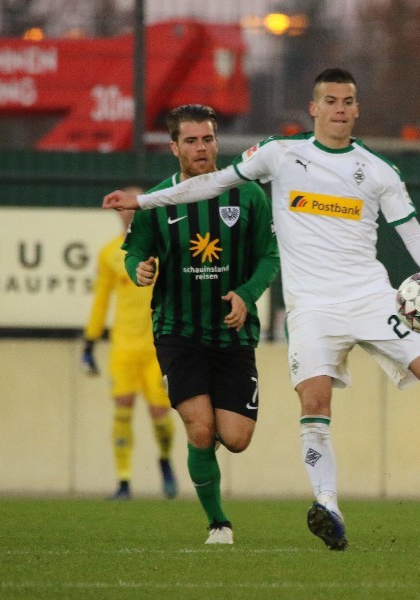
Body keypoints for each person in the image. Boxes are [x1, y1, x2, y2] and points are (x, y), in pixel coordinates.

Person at [103, 69, 420, 551]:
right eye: (331, 100)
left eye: (348, 101)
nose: (340, 108)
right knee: (313, 403)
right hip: (311, 307)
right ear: (313, 109)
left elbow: (412, 233)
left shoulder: (379, 171)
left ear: (357, 110)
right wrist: (143, 202)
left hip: (371, 296)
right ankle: (328, 506)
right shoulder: (280, 154)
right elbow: (208, 186)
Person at [121, 104, 280, 545]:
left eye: (207, 139)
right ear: (174, 147)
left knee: (237, 437)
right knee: (201, 428)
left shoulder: (248, 195)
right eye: (190, 140)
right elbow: (134, 251)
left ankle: (200, 458)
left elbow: (270, 256)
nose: (201, 148)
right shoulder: (156, 201)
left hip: (232, 334)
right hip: (178, 330)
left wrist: (246, 296)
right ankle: (218, 523)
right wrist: (140, 269)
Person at [82, 195, 178, 501]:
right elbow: (100, 300)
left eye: (135, 210)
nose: (129, 216)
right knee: (122, 409)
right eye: (124, 211)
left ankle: (164, 459)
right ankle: (123, 481)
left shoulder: (164, 250)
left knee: (161, 414)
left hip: (157, 348)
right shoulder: (110, 254)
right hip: (123, 346)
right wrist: (89, 341)